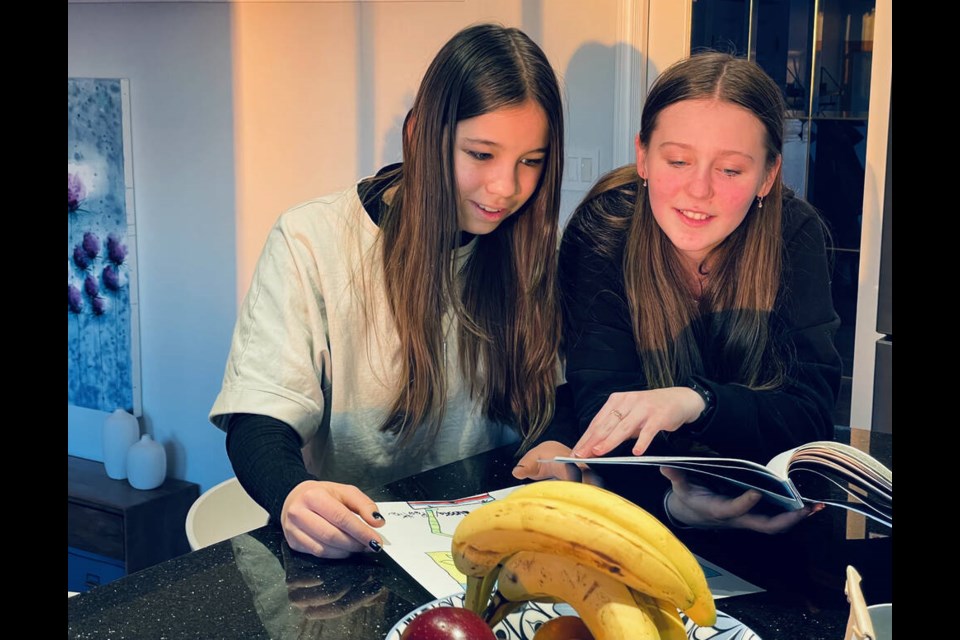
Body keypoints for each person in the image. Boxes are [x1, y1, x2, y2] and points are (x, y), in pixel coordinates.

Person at [210, 23, 565, 558]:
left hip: (489, 545)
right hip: (353, 548)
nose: (505, 188)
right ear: (420, 134)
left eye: (530, 162)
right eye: (481, 154)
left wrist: (557, 446)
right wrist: (293, 493)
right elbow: (259, 420)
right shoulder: (312, 239)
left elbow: (552, 399)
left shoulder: (530, 248)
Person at [514, 51, 841, 534]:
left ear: (767, 176)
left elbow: (809, 420)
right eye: (678, 160)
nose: (699, 190)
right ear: (643, 156)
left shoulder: (794, 233)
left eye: (730, 170)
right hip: (646, 513)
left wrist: (696, 401)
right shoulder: (606, 232)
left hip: (770, 522)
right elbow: (604, 416)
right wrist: (676, 504)